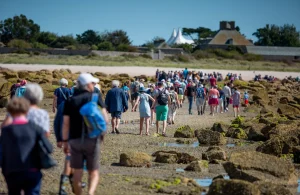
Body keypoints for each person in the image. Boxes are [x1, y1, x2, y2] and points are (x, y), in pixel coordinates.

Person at [62, 73, 108, 195]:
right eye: (92, 83)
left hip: (75, 140)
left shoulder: (70, 101)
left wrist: (65, 142)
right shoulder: (95, 96)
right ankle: (90, 193)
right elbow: (105, 118)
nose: (94, 85)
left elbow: (66, 124)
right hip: (92, 139)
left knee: (77, 173)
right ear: (87, 85)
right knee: (93, 171)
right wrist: (102, 134)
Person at [0, 97, 53, 195]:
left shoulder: (6, 130)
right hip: (32, 170)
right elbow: (49, 148)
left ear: (10, 111)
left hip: (12, 171)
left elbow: (1, 150)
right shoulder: (35, 128)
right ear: (27, 109)